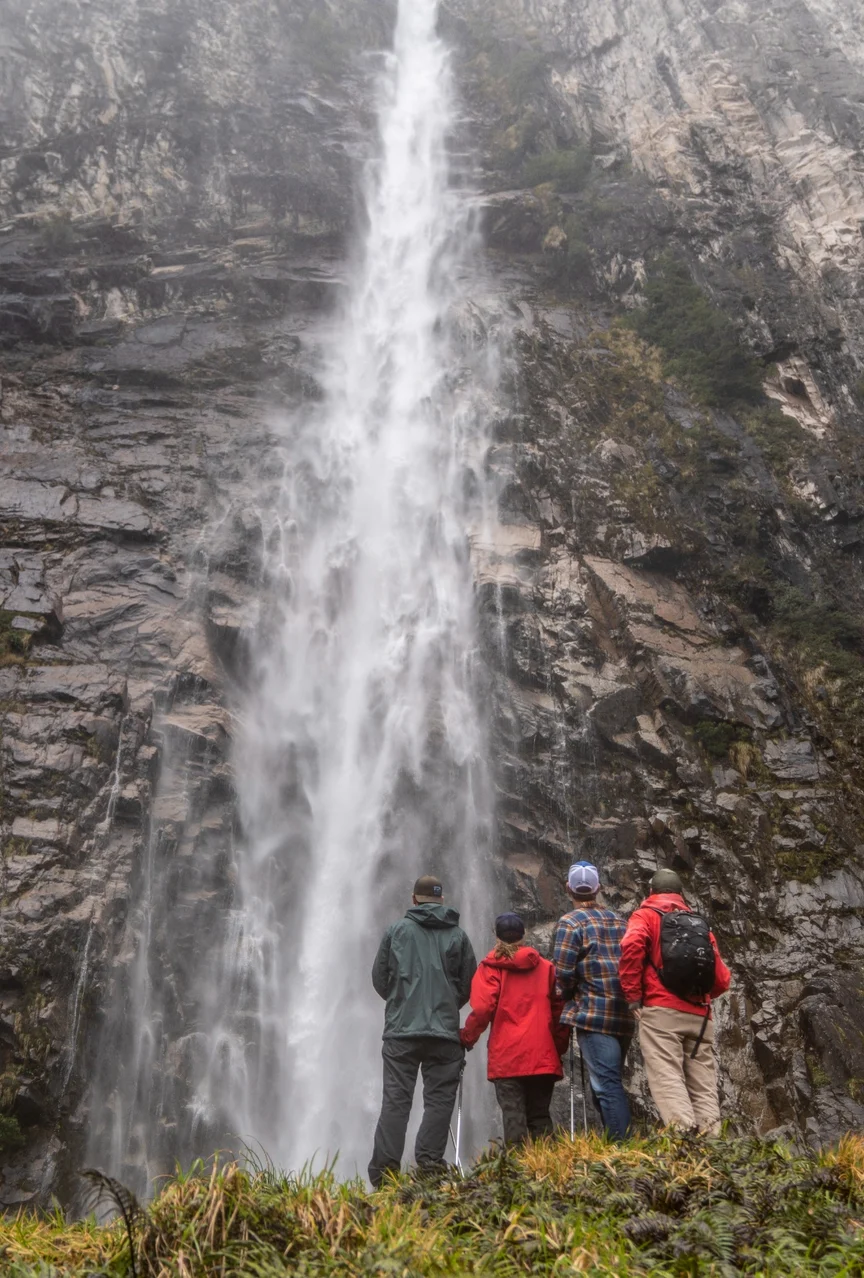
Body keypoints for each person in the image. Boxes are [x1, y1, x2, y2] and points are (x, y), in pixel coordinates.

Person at [368, 874, 477, 1187]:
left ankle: (385, 1174)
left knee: (395, 1102)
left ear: (414, 900)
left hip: (401, 1032)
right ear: (441, 900)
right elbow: (469, 984)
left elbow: (379, 979)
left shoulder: (396, 931)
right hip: (443, 1032)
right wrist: (446, 1004)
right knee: (440, 1100)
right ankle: (428, 1164)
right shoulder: (458, 935)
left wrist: (402, 1000)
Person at [619, 867, 731, 1135]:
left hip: (661, 1012)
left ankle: (683, 1140)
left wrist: (633, 996)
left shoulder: (645, 915)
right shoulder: (699, 923)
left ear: (651, 892)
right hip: (701, 1017)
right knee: (703, 1083)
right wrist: (699, 999)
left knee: (667, 1074)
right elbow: (722, 978)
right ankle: (712, 1144)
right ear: (681, 894)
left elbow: (631, 947)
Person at [460, 913, 570, 1145]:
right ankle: (546, 1172)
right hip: (542, 1056)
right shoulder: (547, 968)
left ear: (496, 936)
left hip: (507, 1057)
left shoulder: (490, 968)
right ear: (524, 935)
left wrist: (467, 1037)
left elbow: (482, 1008)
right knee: (540, 1117)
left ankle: (516, 1174)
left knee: (514, 1119)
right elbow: (560, 1010)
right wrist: (557, 1047)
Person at [553, 860, 634, 1139]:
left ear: (568, 889)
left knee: (606, 1084)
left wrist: (567, 994)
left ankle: (622, 1149)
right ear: (598, 889)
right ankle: (616, 1142)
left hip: (594, 1014)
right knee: (608, 1082)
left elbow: (562, 972)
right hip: (623, 1014)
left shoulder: (570, 922)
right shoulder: (620, 921)